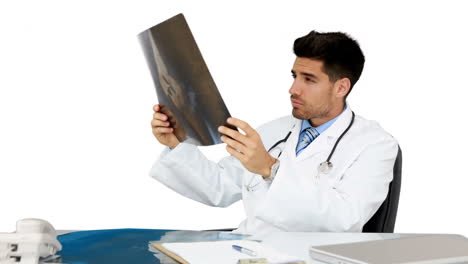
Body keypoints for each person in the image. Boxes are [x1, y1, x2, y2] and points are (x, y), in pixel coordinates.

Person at [149, 30, 399, 235]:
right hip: (245, 250)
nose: (293, 89)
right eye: (294, 76)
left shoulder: (375, 145)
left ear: (341, 87)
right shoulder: (276, 130)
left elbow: (345, 219)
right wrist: (176, 144)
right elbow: (219, 187)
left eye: (308, 79)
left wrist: (271, 169)